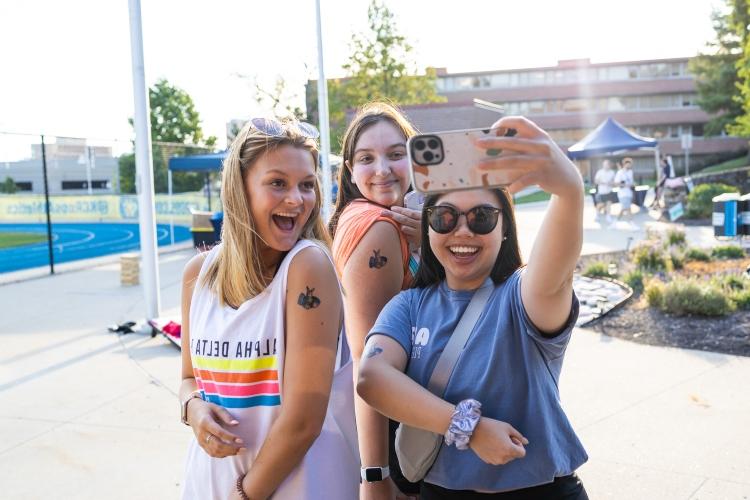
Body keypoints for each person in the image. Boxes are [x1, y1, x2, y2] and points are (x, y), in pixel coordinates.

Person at [357, 116, 589, 499]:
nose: (462, 231)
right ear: (428, 227)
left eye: (482, 218)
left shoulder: (520, 297)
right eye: (444, 217)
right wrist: (469, 427)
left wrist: (569, 190)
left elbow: (555, 273)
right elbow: (372, 379)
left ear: (505, 229)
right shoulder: (409, 306)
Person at [178, 118, 358, 500]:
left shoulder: (307, 266)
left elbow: (303, 420)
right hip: (206, 483)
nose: (296, 199)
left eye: (307, 185)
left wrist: (244, 495)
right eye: (278, 182)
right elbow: (189, 380)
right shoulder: (198, 274)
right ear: (240, 187)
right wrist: (193, 409)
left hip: (289, 488)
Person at [329, 102, 423, 499]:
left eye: (396, 155)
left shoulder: (394, 221)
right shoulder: (378, 228)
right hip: (394, 445)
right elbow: (367, 365)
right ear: (350, 170)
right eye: (367, 158)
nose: (382, 169)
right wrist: (375, 474)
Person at [614, 157, 635, 227]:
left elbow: (631, 183)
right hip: (622, 193)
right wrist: (624, 184)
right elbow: (616, 183)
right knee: (628, 208)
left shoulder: (630, 172)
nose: (629, 166)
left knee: (624, 209)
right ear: (624, 164)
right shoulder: (620, 172)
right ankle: (631, 223)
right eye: (627, 164)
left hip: (629, 193)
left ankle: (615, 222)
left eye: (630, 164)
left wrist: (631, 184)